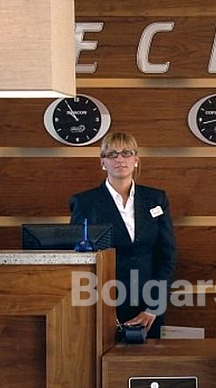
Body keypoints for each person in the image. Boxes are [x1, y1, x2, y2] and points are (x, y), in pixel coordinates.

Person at [70, 132, 176, 338]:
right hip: (101, 305)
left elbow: (167, 255)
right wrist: (99, 310)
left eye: (126, 153)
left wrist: (153, 307)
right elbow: (77, 260)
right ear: (103, 162)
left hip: (148, 306)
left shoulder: (156, 199)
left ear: (136, 159)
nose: (120, 159)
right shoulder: (84, 202)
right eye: (112, 154)